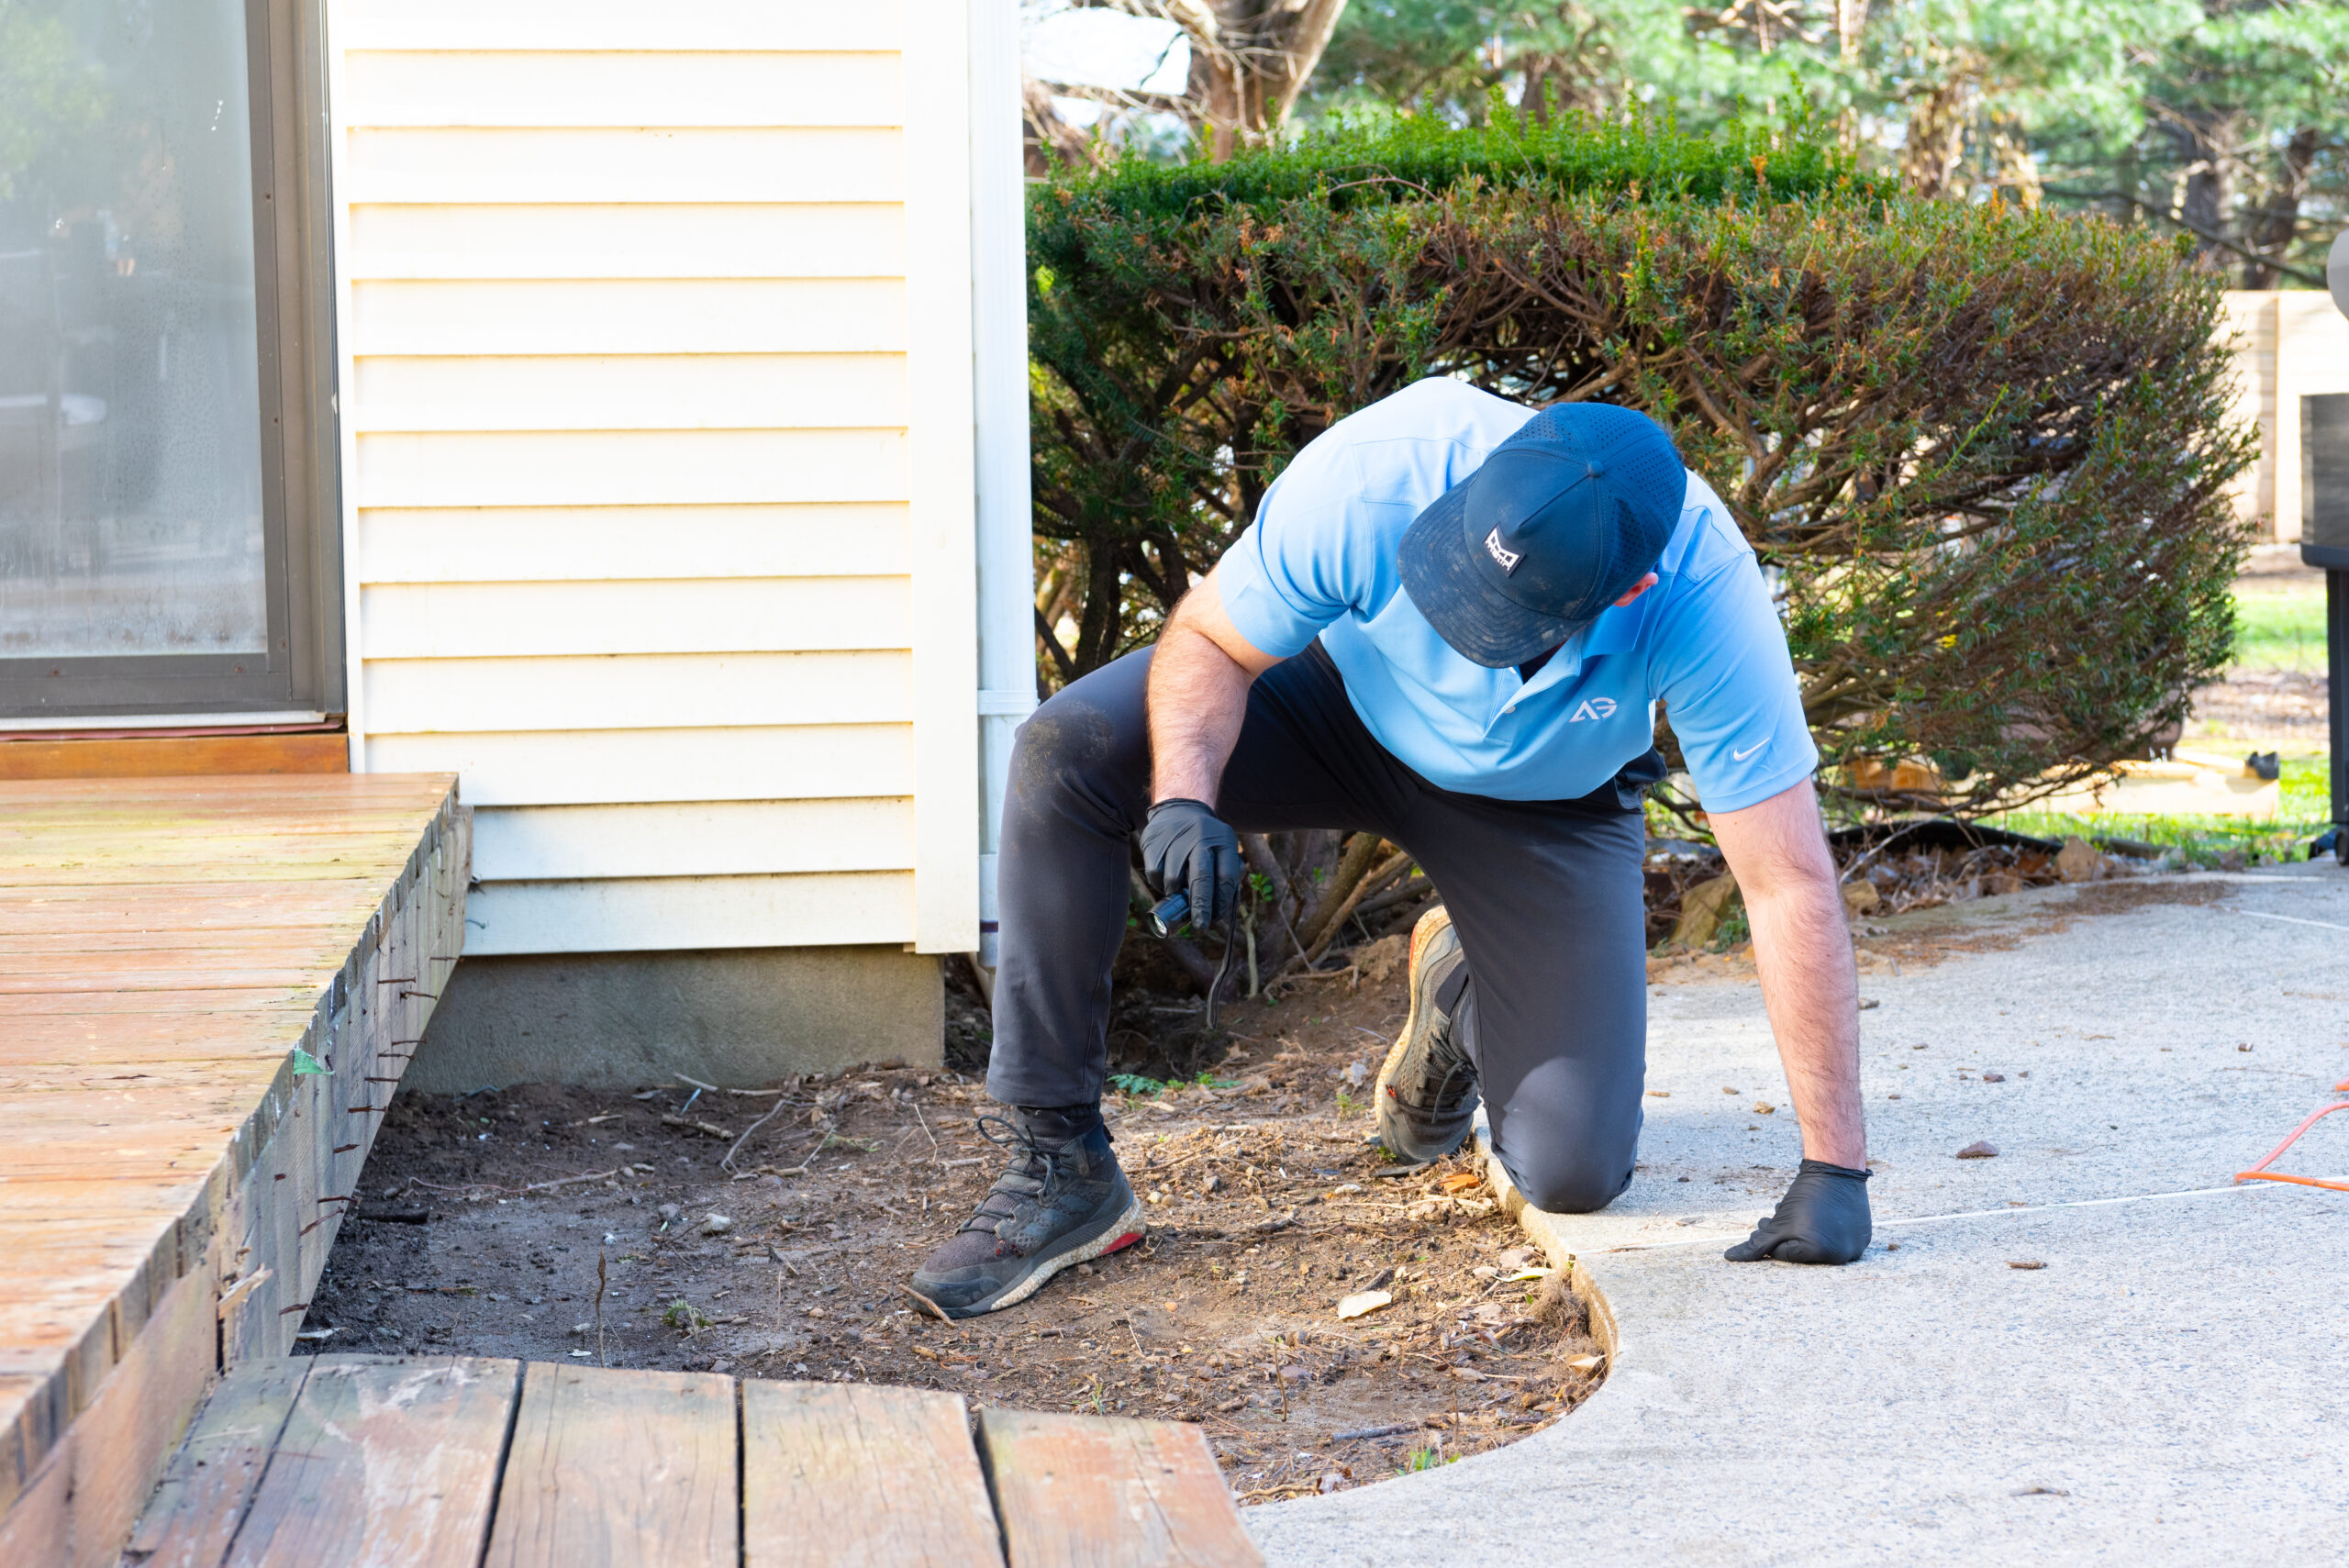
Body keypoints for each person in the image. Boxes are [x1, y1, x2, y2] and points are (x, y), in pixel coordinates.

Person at [906, 378, 1871, 1320]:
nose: (1465, 633)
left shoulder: (1704, 595)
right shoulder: (1378, 471)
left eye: (1503, 622)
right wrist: (1183, 799)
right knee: (1065, 751)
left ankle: (1459, 992)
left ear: (1633, 588)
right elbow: (1207, 638)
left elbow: (1783, 881)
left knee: (1574, 1167)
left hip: (1543, 800)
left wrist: (1834, 1166)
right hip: (1336, 703)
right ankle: (1059, 1163)